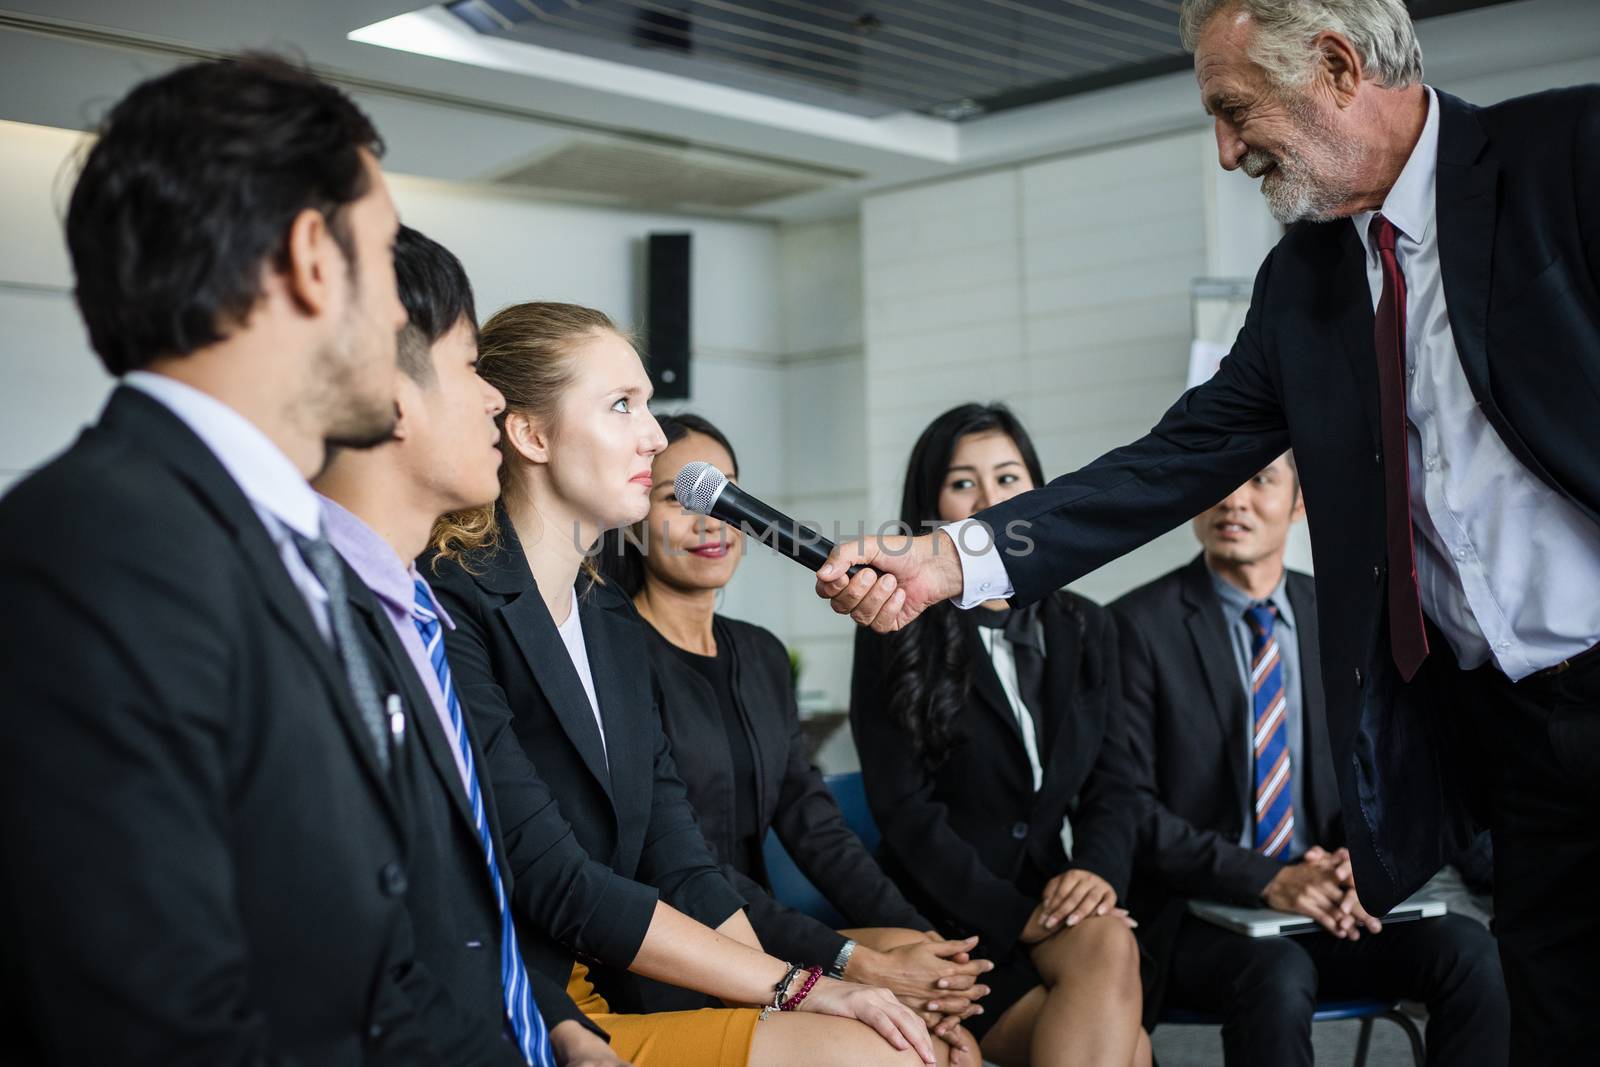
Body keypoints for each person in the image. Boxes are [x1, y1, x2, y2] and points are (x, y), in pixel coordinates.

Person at [815, 2, 1598, 1060]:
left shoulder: (1566, 157)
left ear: (1334, 65)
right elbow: (1171, 458)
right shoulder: (1306, 281)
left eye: (1234, 111)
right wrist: (952, 557)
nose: (1227, 151)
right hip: (1515, 743)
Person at [0, 55, 447, 1062]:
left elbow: (377, 961)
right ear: (310, 257)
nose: (395, 316)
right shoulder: (87, 551)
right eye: (383, 262)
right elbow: (156, 1023)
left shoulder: (291, 537)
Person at [424, 302, 946, 1067]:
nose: (657, 437)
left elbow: (677, 851)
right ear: (530, 434)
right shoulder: (453, 598)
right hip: (525, 996)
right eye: (622, 406)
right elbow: (553, 876)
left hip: (611, 979)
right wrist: (810, 986)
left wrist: (801, 985)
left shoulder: (603, 610)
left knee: (894, 1039)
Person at [313, 226, 629, 1066]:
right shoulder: (328, 613)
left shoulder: (415, 605)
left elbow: (460, 900)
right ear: (392, 391)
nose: (491, 398)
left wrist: (547, 1018)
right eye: (467, 365)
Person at [595, 412, 990, 1042]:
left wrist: (926, 950)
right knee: (909, 1036)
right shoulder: (612, 656)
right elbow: (680, 865)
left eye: (728, 493)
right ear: (633, 519)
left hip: (767, 932)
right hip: (677, 943)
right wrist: (854, 962)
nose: (711, 518)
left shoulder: (761, 654)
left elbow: (816, 826)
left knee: (932, 984)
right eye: (680, 498)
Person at [1114, 453, 1507, 1066]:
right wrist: (1268, 879)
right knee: (1276, 972)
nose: (1233, 499)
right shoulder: (1134, 628)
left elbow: (1393, 774)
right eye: (1217, 482)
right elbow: (1129, 810)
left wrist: (1362, 865)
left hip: (1329, 903)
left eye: (1260, 480)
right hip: (1199, 912)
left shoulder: (1344, 618)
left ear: (1300, 503)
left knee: (1471, 954)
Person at [849, 404, 1151, 1067]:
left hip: (1050, 901)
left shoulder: (1085, 624)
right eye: (963, 483)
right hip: (939, 914)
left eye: (1009, 479)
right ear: (930, 510)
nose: (990, 501)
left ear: (1040, 493)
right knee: (1130, 1048)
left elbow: (1115, 783)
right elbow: (903, 809)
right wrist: (1013, 914)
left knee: (1107, 939)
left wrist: (1096, 871)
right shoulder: (894, 623)